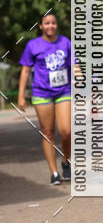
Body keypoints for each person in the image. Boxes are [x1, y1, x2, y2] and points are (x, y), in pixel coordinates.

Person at [17, 13, 72, 185]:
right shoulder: (33, 45)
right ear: (41, 26)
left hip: (64, 91)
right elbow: (25, 70)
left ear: (57, 25)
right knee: (47, 132)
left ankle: (65, 161)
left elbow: (74, 64)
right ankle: (54, 172)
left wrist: (79, 75)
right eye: (46, 23)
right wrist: (20, 96)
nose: (50, 26)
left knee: (66, 131)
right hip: (42, 93)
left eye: (53, 23)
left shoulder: (65, 42)